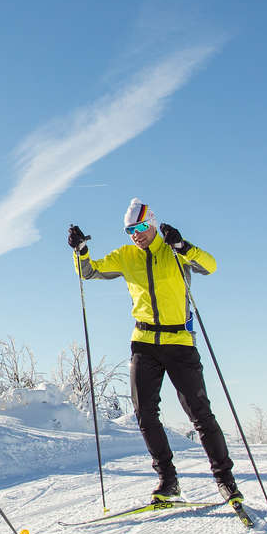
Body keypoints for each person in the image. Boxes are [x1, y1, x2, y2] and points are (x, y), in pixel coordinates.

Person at [67, 199, 244, 505]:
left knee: (200, 414)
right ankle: (168, 480)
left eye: (139, 228)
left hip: (179, 342)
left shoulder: (173, 252)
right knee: (145, 415)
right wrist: (81, 250)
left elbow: (210, 266)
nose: (135, 235)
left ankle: (225, 481)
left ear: (151, 224)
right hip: (144, 341)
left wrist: (183, 244)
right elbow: (89, 271)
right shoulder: (125, 256)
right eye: (129, 231)